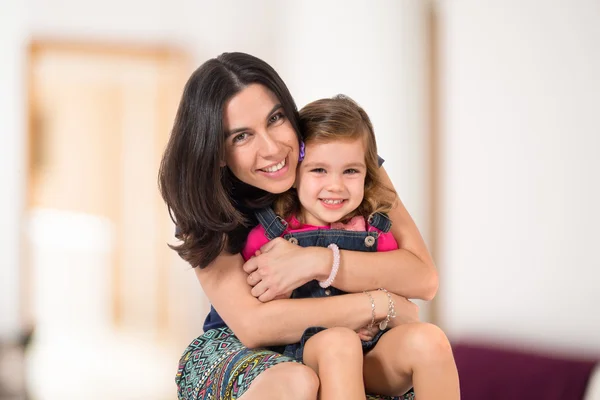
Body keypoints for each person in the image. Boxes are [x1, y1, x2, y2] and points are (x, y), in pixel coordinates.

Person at [159, 52, 454, 400]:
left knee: (425, 341)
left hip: (350, 339)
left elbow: (423, 278)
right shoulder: (204, 202)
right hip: (243, 345)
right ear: (218, 151)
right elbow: (255, 326)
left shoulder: (342, 159)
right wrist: (379, 303)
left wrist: (317, 261)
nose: (271, 149)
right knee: (300, 380)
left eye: (275, 118)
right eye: (241, 136)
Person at [240, 94, 460, 399]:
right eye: (319, 170)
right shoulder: (269, 238)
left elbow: (411, 290)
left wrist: (379, 314)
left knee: (430, 340)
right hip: (305, 353)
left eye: (351, 171)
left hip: (371, 353)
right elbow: (264, 315)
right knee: (339, 342)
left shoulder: (376, 232)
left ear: (368, 174)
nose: (336, 186)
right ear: (294, 174)